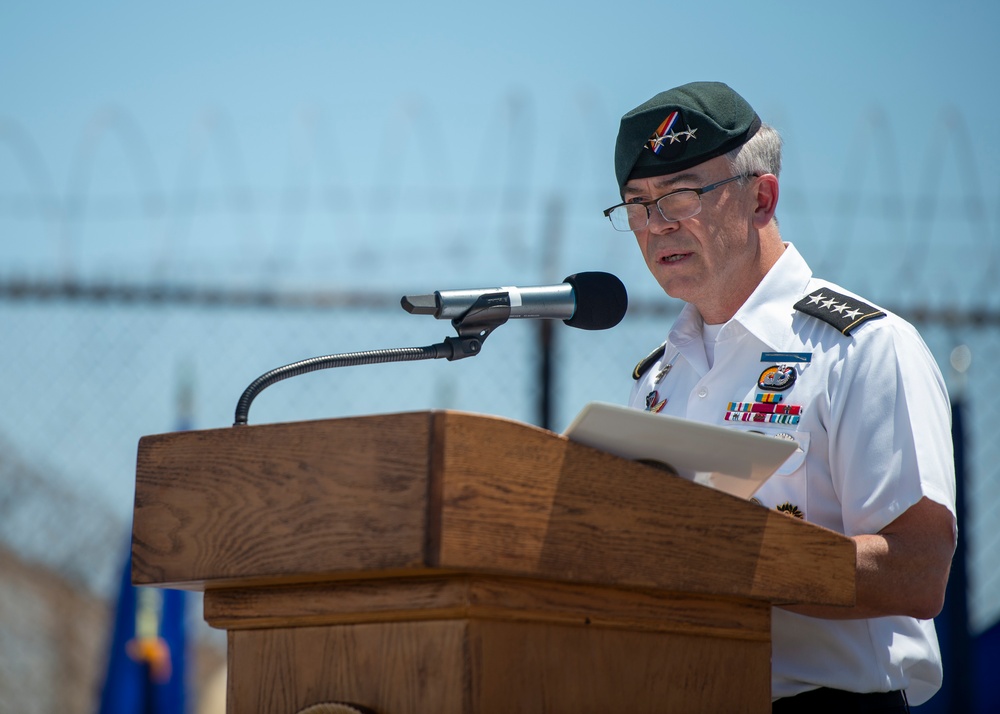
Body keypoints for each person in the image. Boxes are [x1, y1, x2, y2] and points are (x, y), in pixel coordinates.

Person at [605, 81, 957, 712]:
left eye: (680, 195)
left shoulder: (863, 348)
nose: (656, 227)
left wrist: (734, 557)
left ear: (760, 197)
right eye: (637, 205)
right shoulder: (656, 380)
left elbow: (918, 569)